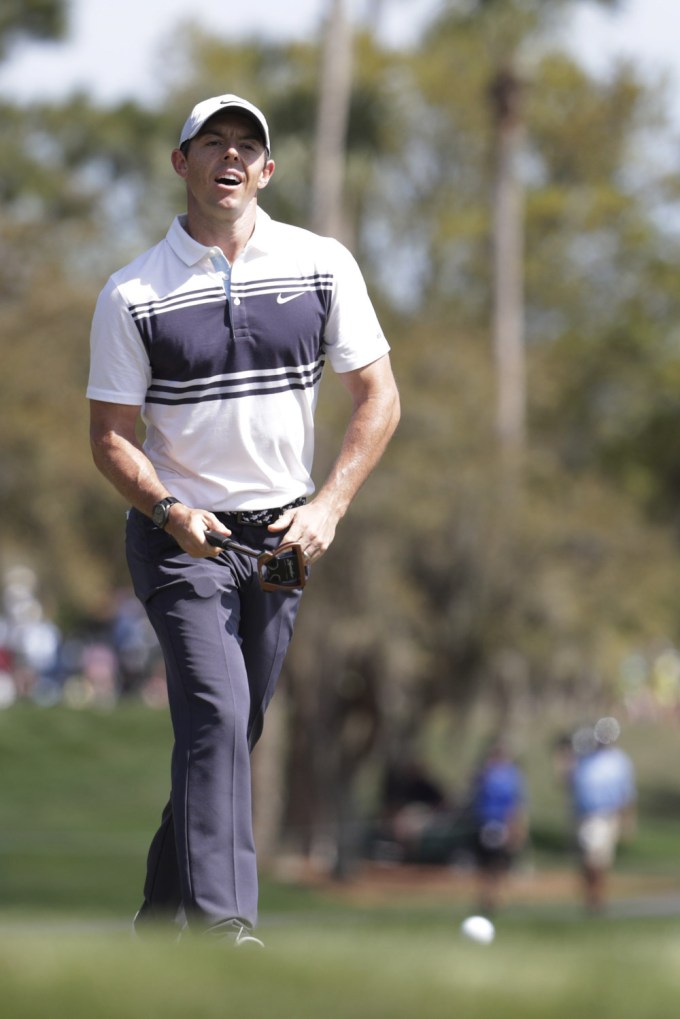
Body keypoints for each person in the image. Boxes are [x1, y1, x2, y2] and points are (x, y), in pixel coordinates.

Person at [87, 93, 400, 946]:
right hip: (182, 536)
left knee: (229, 729)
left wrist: (329, 504)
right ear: (180, 162)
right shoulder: (132, 293)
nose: (230, 156)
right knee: (218, 716)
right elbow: (109, 438)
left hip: (285, 540)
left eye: (246, 145)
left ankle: (158, 924)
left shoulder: (321, 264)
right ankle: (225, 926)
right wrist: (168, 509)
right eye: (211, 142)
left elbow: (378, 397)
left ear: (267, 170)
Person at [567, 718, 636, 913]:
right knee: (590, 858)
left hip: (608, 815)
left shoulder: (620, 761)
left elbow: (627, 792)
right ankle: (593, 897)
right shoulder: (584, 758)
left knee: (600, 860)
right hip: (587, 815)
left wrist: (628, 819)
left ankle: (597, 898)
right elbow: (571, 784)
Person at [468, 741, 527, 916]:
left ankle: (496, 895)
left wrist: (516, 826)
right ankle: (487, 896)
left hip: (502, 823)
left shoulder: (512, 775)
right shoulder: (485, 773)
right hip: (485, 822)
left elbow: (516, 803)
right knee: (486, 861)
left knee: (499, 861)